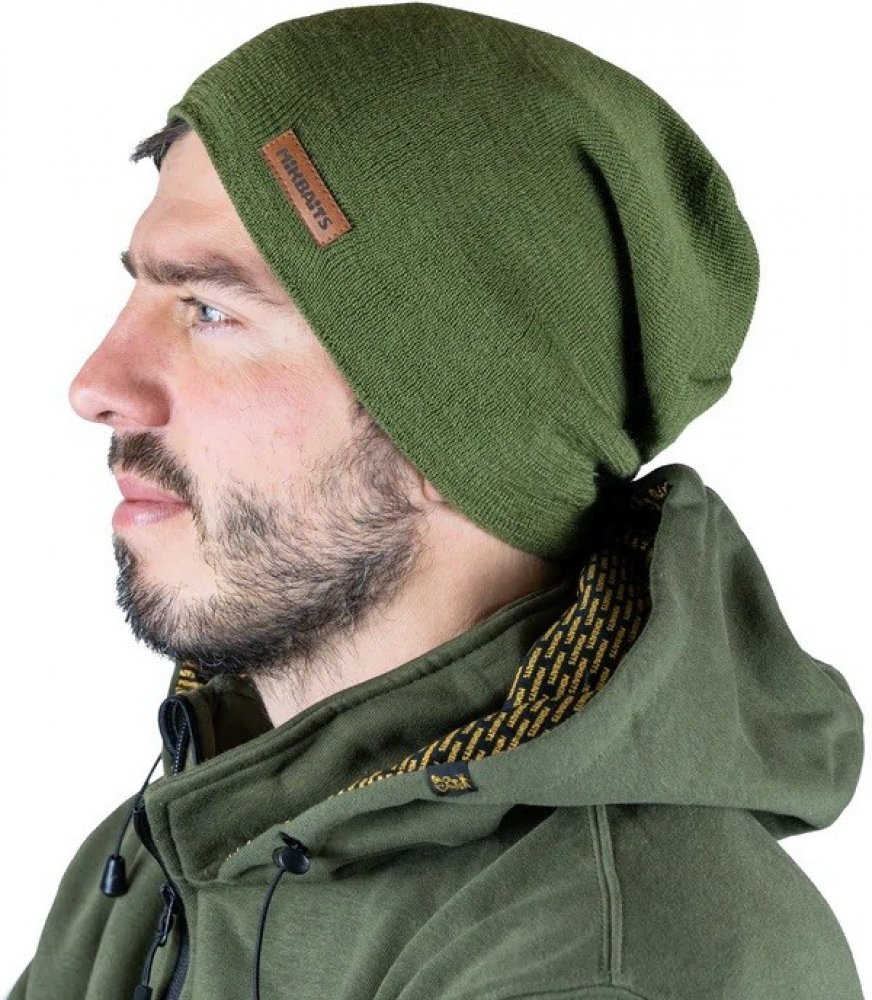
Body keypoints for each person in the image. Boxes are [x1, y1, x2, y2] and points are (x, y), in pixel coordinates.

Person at [9, 4, 864, 999]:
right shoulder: (179, 844)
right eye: (141, 296)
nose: (95, 384)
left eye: (208, 309)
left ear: (455, 419)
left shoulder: (606, 964)